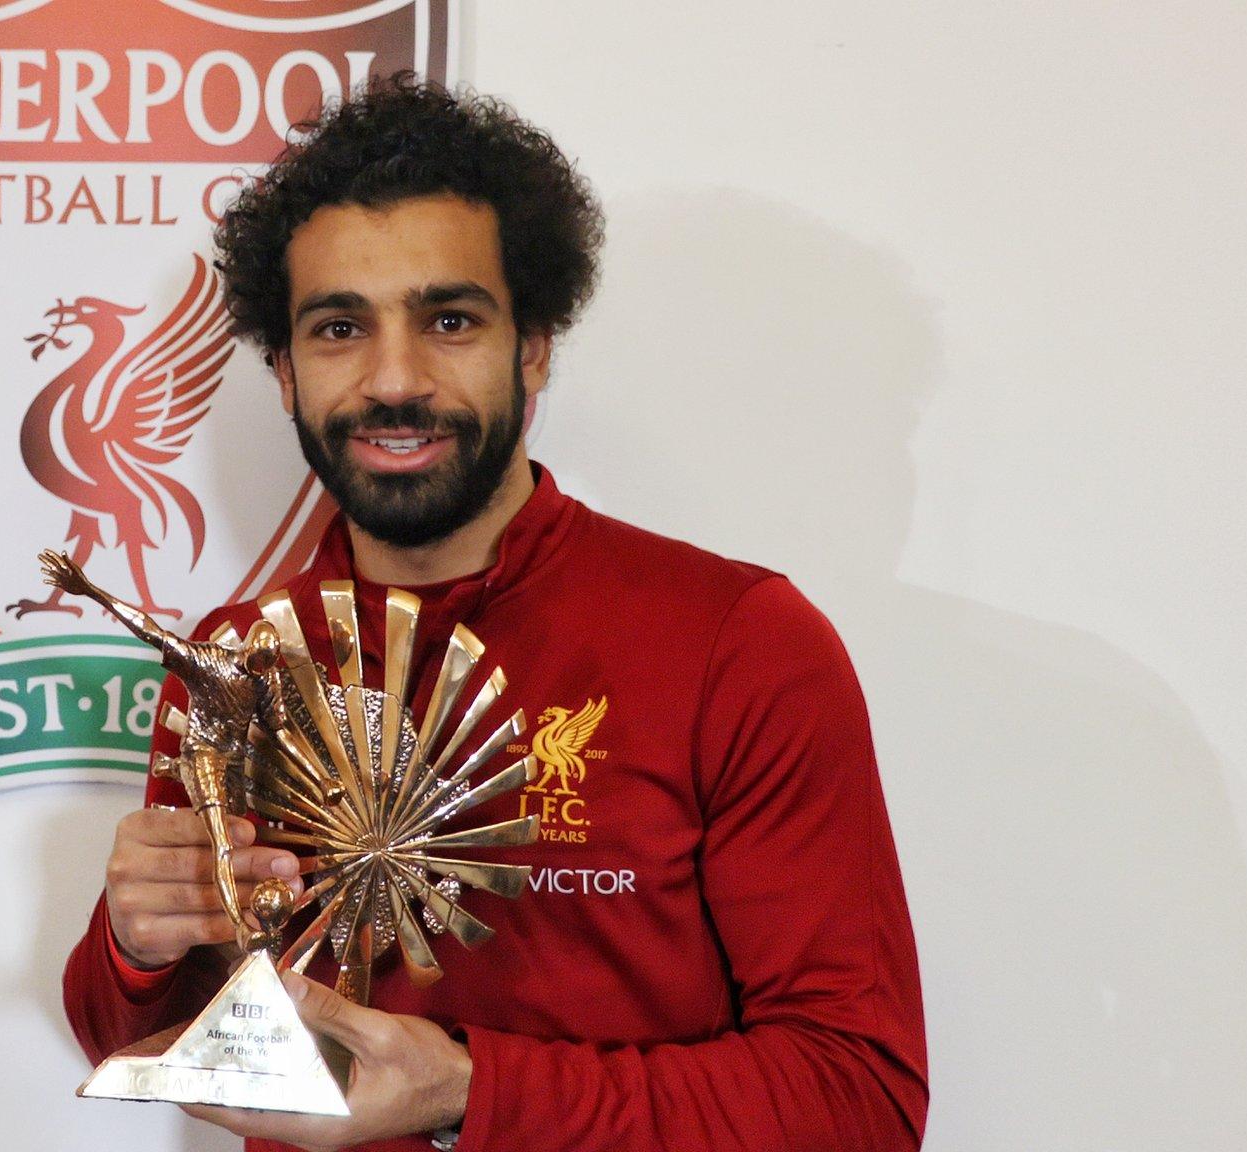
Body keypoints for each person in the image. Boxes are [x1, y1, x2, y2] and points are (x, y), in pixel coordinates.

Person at [61, 76, 927, 1152]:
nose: (393, 379)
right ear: (282, 371)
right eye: (338, 328)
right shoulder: (237, 662)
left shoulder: (738, 645)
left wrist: (472, 1091)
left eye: (449, 319)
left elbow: (857, 1103)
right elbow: (143, 1037)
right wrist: (133, 947)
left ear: (533, 345)